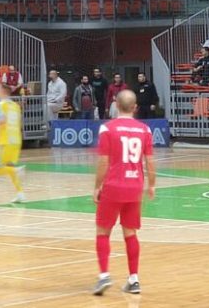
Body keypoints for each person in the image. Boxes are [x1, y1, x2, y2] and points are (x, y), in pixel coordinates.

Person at [92, 90, 156, 296]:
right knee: (130, 233)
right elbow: (149, 161)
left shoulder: (107, 128)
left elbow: (103, 161)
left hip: (113, 185)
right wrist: (152, 185)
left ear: (116, 106)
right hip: (135, 187)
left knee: (103, 231)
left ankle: (104, 276)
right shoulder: (145, 129)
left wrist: (97, 186)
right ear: (135, 107)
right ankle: (134, 279)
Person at [0, 83, 25, 203]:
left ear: (3, 92)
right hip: (16, 141)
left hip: (5, 141)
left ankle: (16, 171)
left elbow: (2, 120)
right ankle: (20, 194)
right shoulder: (15, 106)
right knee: (9, 166)